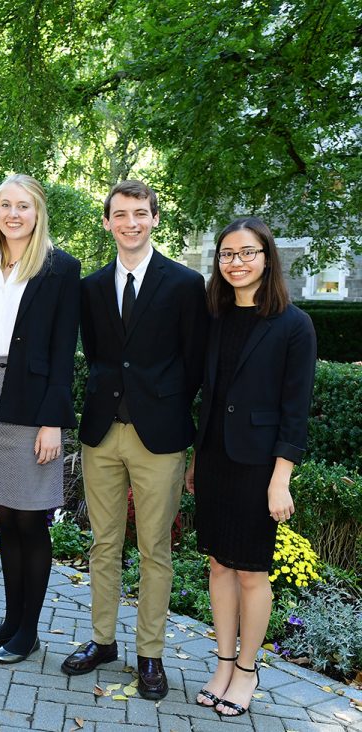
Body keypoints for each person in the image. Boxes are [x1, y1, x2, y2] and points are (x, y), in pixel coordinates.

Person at [61, 180, 208, 699]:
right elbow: (100, 354)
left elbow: (194, 363)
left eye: (140, 213)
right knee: (103, 545)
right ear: (107, 222)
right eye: (120, 214)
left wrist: (162, 403)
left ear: (154, 219)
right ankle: (103, 641)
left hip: (159, 438)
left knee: (154, 551)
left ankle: (151, 655)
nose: (130, 222)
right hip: (102, 433)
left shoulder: (185, 284)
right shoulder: (91, 287)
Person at [185, 217, 316, 717]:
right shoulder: (215, 316)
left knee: (251, 573)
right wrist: (198, 458)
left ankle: (247, 671)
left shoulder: (293, 324)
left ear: (267, 257)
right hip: (216, 458)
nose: (235, 263)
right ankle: (222, 663)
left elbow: (294, 410)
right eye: (227, 254)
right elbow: (211, 398)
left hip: (259, 467)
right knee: (219, 564)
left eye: (246, 253)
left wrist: (281, 477)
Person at [0, 175, 80, 664]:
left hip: (32, 405)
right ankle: (9, 619)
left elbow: (63, 349)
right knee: (5, 518)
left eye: (22, 206)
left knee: (31, 519)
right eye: (5, 205)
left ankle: (28, 630)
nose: (13, 214)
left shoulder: (59, 269)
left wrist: (54, 421)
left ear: (37, 212)